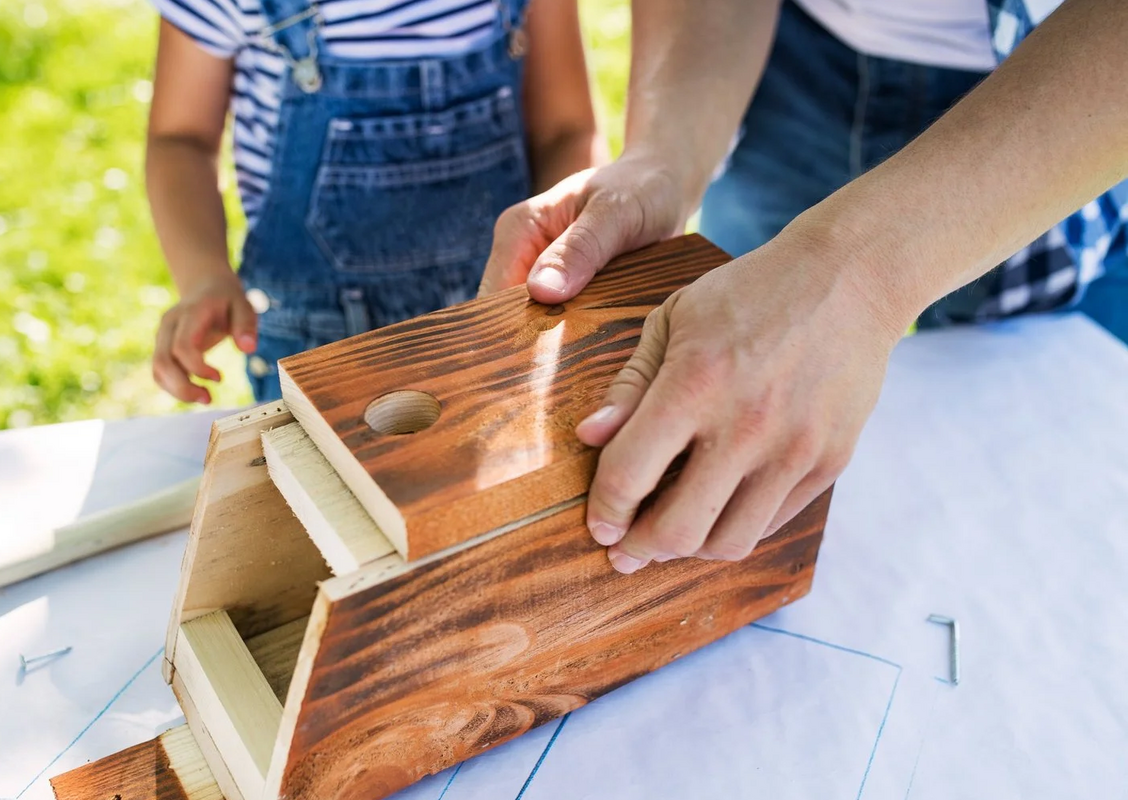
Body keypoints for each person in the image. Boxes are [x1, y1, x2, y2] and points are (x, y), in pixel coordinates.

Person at [481, 0, 1127, 573]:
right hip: (781, 65)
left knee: (1059, 507)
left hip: (1075, 97)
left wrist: (860, 280)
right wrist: (664, 156)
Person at [145, 0, 602, 403]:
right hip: (315, 345)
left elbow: (566, 130)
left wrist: (564, 255)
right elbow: (180, 138)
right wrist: (204, 276)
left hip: (512, 318)